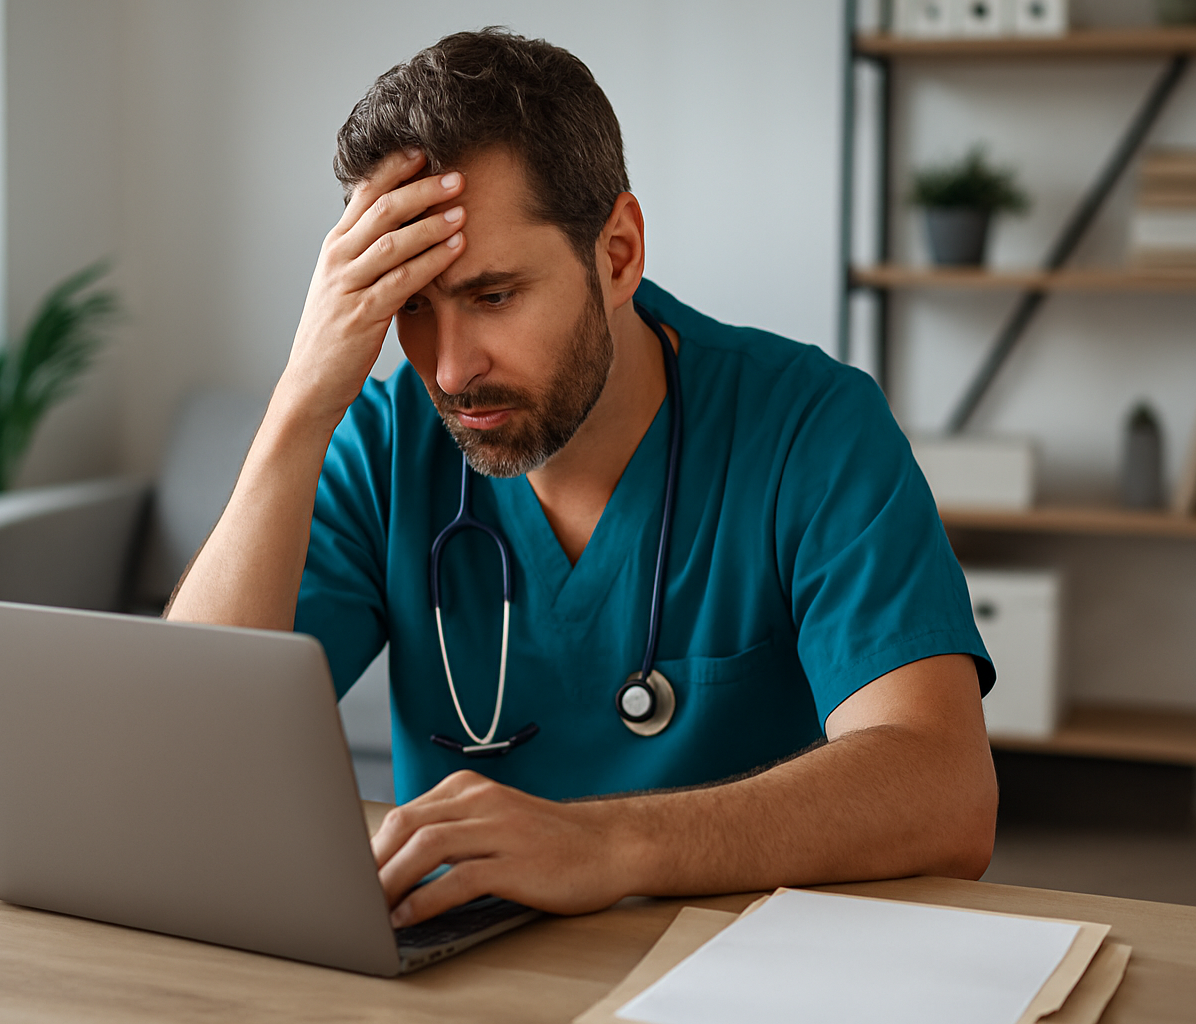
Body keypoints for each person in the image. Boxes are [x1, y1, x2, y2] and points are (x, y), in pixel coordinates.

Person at [167, 28, 998, 929]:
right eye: (410, 307)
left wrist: (607, 844)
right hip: (459, 980)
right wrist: (298, 406)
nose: (448, 370)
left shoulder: (812, 427)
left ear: (617, 254)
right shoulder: (385, 444)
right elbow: (186, 758)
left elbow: (944, 789)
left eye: (493, 296)